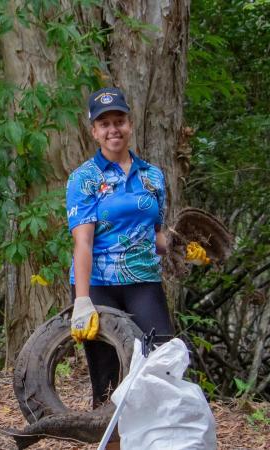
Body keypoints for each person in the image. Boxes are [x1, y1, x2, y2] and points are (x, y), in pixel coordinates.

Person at [66, 87, 174, 407]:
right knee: (107, 379)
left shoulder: (152, 176)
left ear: (129, 124)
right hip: (99, 285)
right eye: (104, 124)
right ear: (94, 132)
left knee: (161, 364)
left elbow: (153, 236)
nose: (113, 129)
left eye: (119, 120)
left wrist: (184, 246)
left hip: (143, 280)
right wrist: (82, 300)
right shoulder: (84, 178)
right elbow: (83, 241)